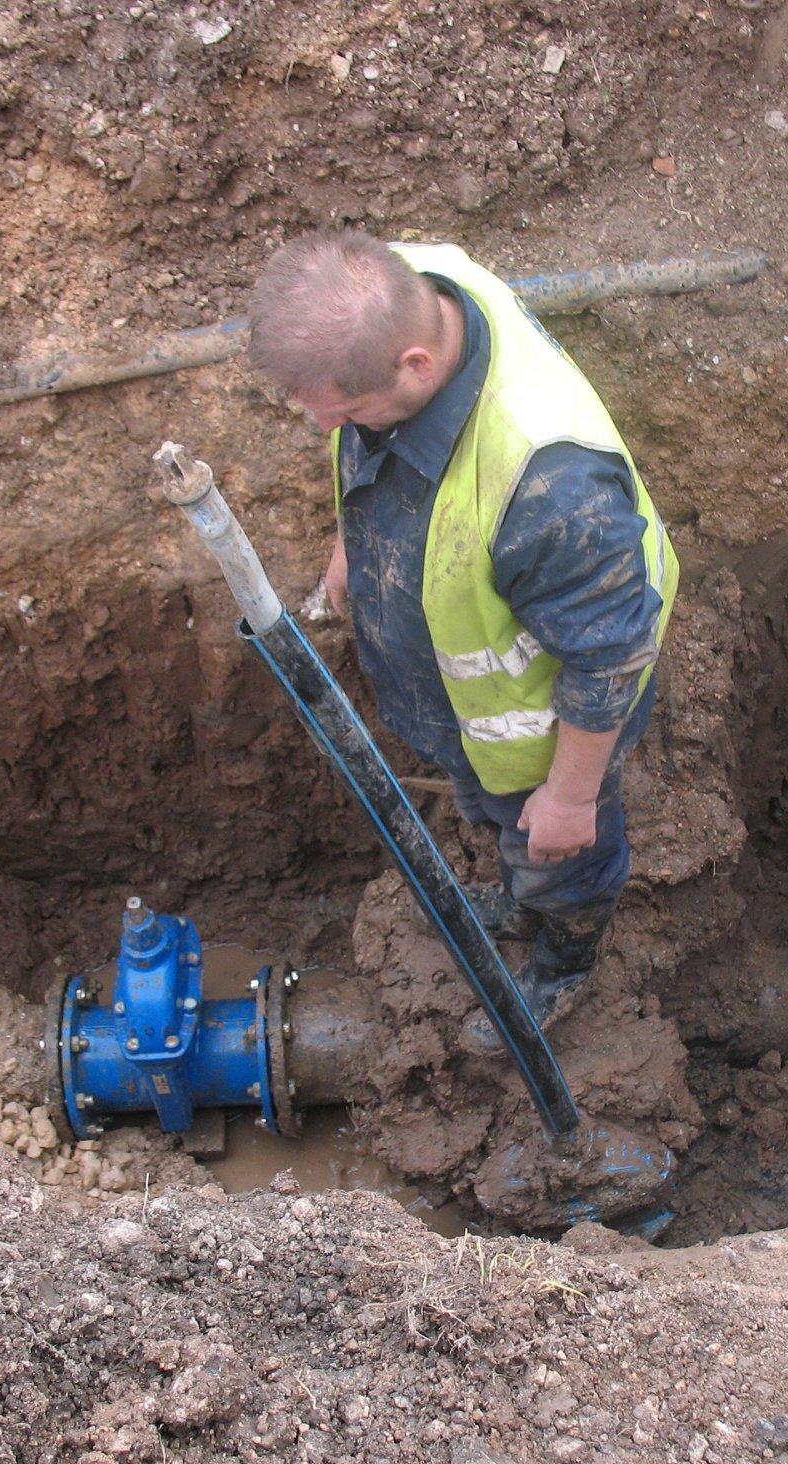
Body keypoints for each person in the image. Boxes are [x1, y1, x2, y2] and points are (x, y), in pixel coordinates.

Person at [245, 231, 677, 1035]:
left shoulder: (549, 482)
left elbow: (611, 653)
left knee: (559, 856)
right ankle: (525, 888)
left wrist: (570, 794)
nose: (326, 427)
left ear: (414, 366)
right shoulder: (412, 281)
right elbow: (367, 438)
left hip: (549, 731)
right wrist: (354, 538)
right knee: (500, 820)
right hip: (470, 715)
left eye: (343, 411)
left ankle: (565, 958)